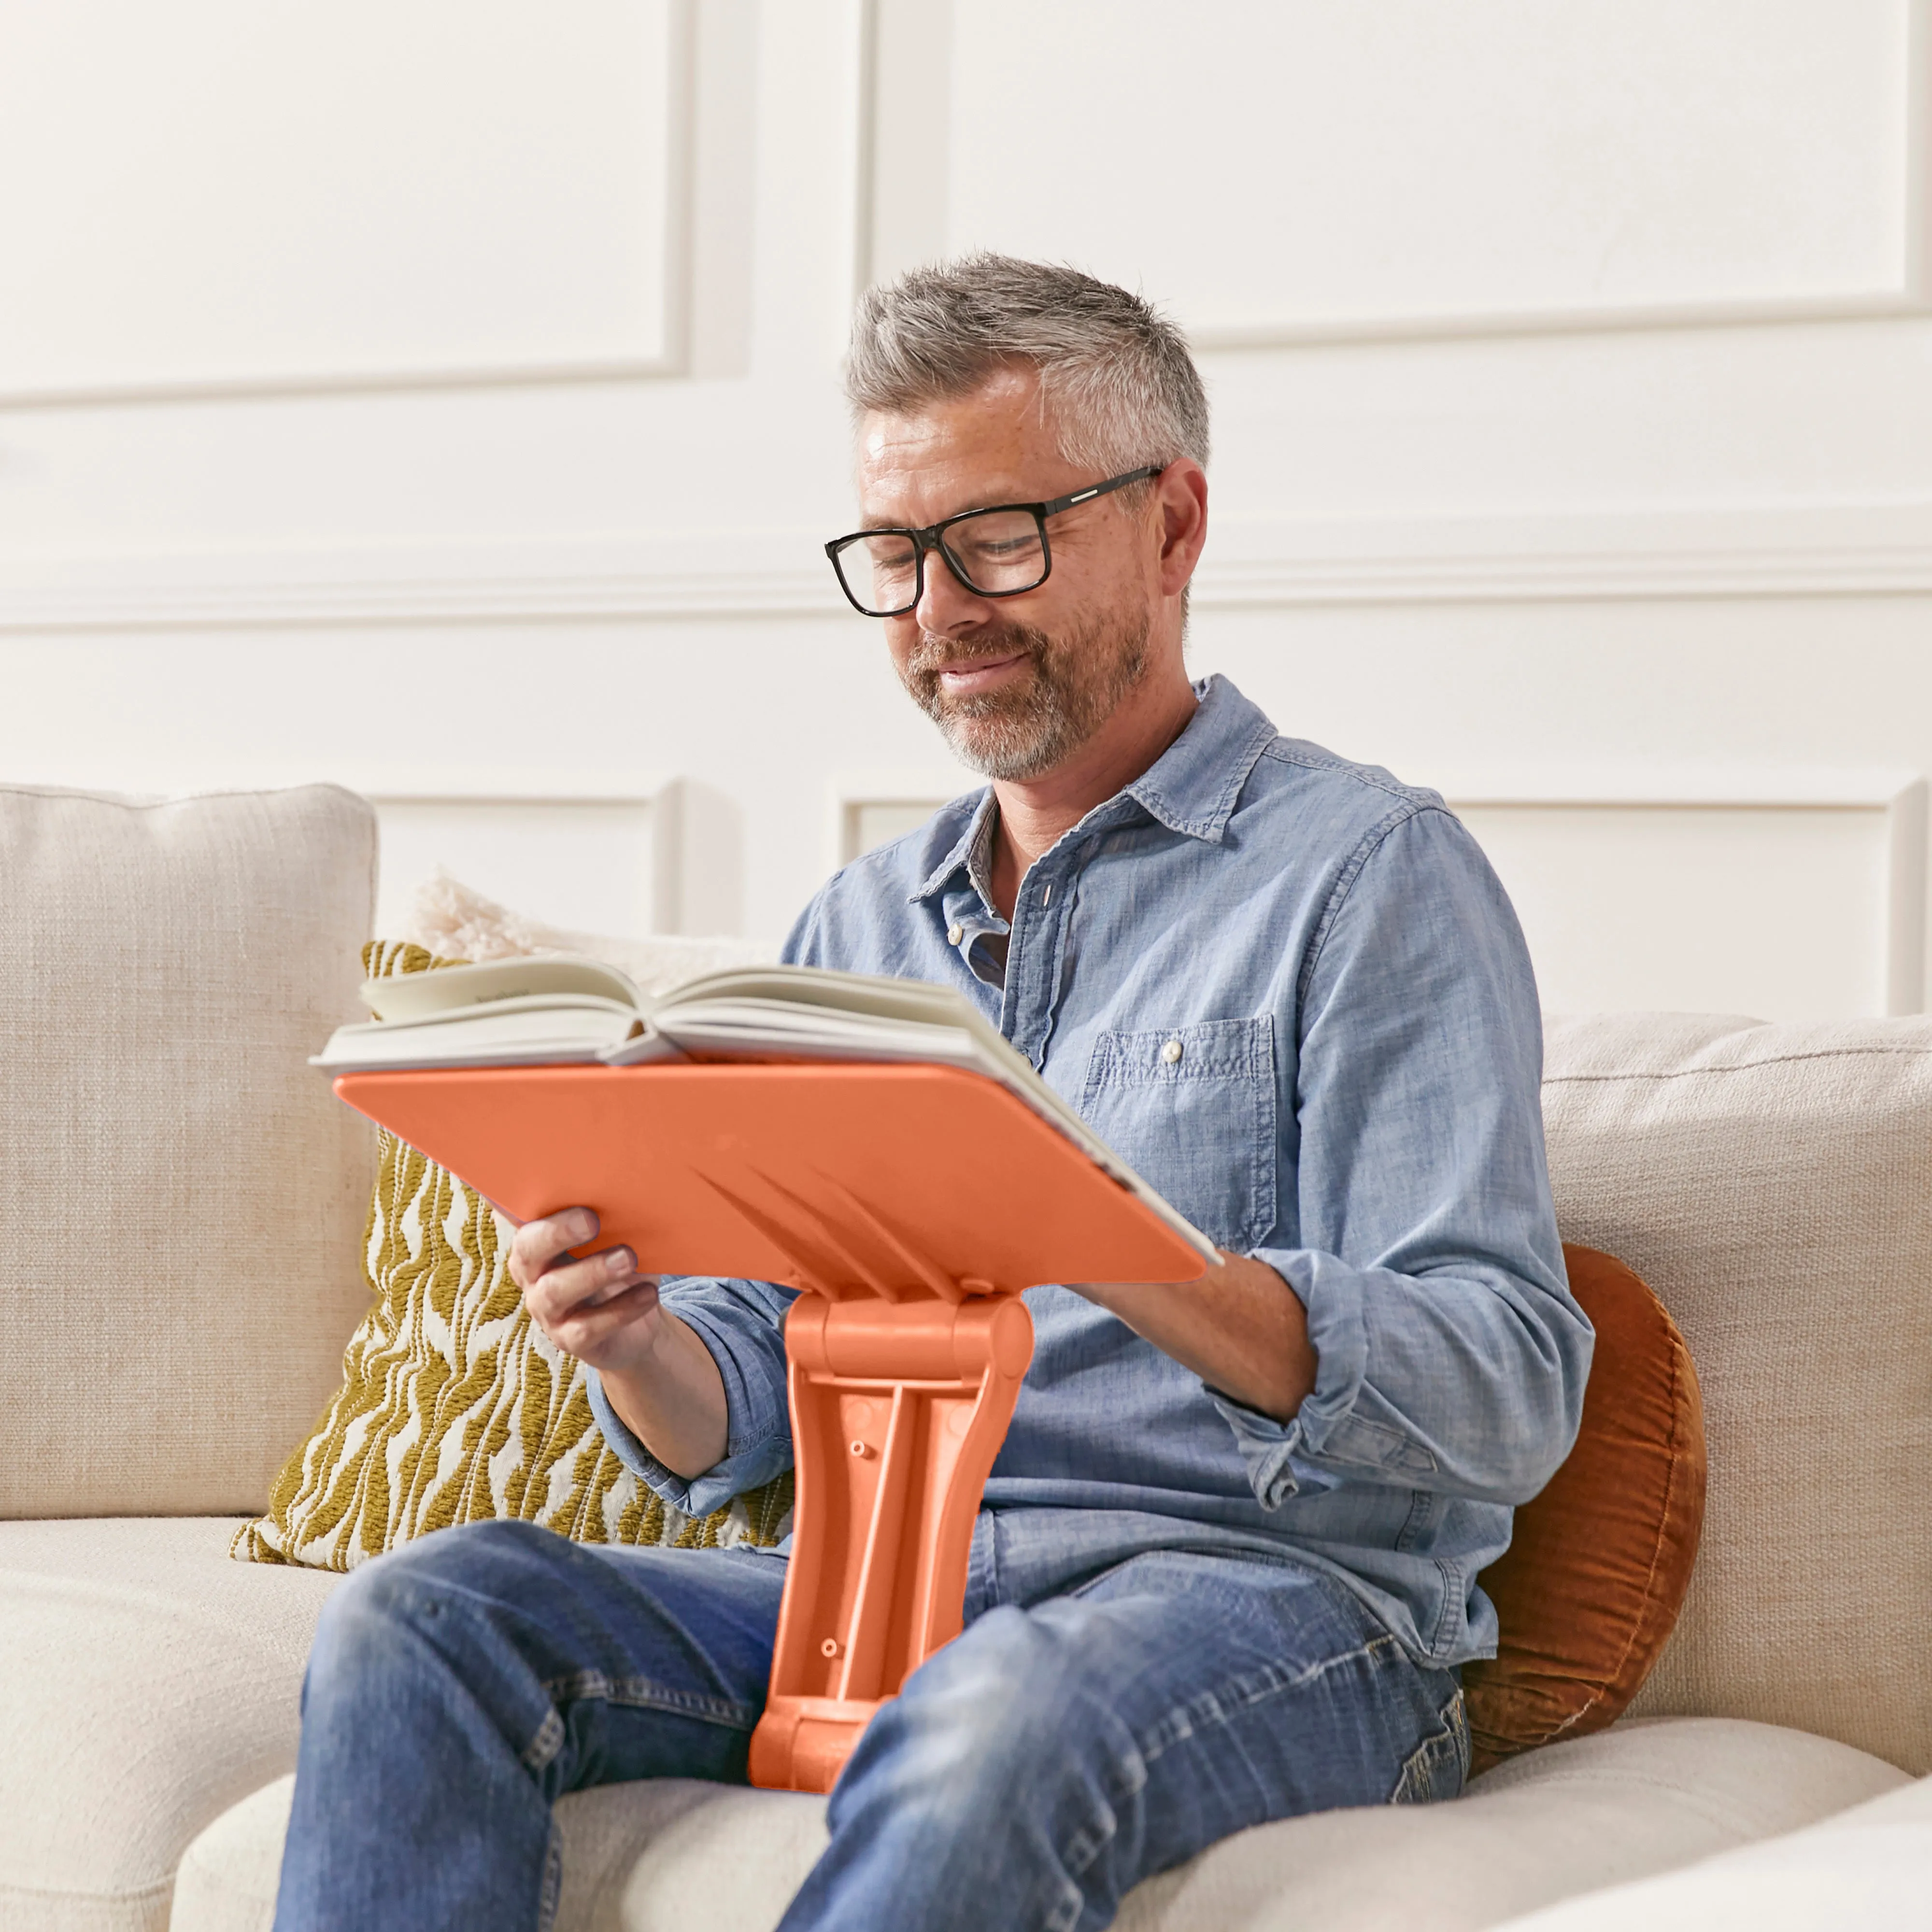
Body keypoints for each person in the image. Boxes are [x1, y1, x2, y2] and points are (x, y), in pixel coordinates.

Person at [273, 254, 1592, 1932]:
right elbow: (738, 1408)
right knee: (423, 1614)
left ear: (1174, 528)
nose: (934, 612)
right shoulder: (861, 927)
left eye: (995, 540)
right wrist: (633, 1341)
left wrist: (1107, 1239)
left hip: (1270, 1609)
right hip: (876, 1579)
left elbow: (1511, 1381)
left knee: (992, 1720)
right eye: (894, 556)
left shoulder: (1369, 878)